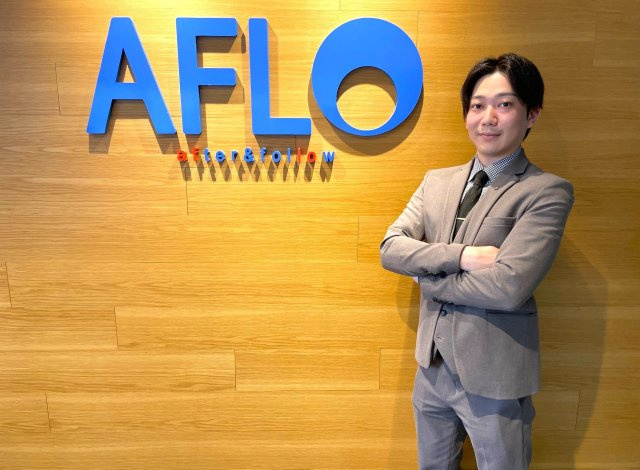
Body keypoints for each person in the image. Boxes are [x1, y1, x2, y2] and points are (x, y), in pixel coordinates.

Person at [379, 53, 574, 469]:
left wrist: (427, 279)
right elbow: (391, 248)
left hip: (496, 376)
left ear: (531, 114)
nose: (488, 118)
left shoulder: (546, 192)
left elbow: (508, 287)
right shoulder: (436, 182)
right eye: (477, 105)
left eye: (504, 104)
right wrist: (463, 257)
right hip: (431, 370)